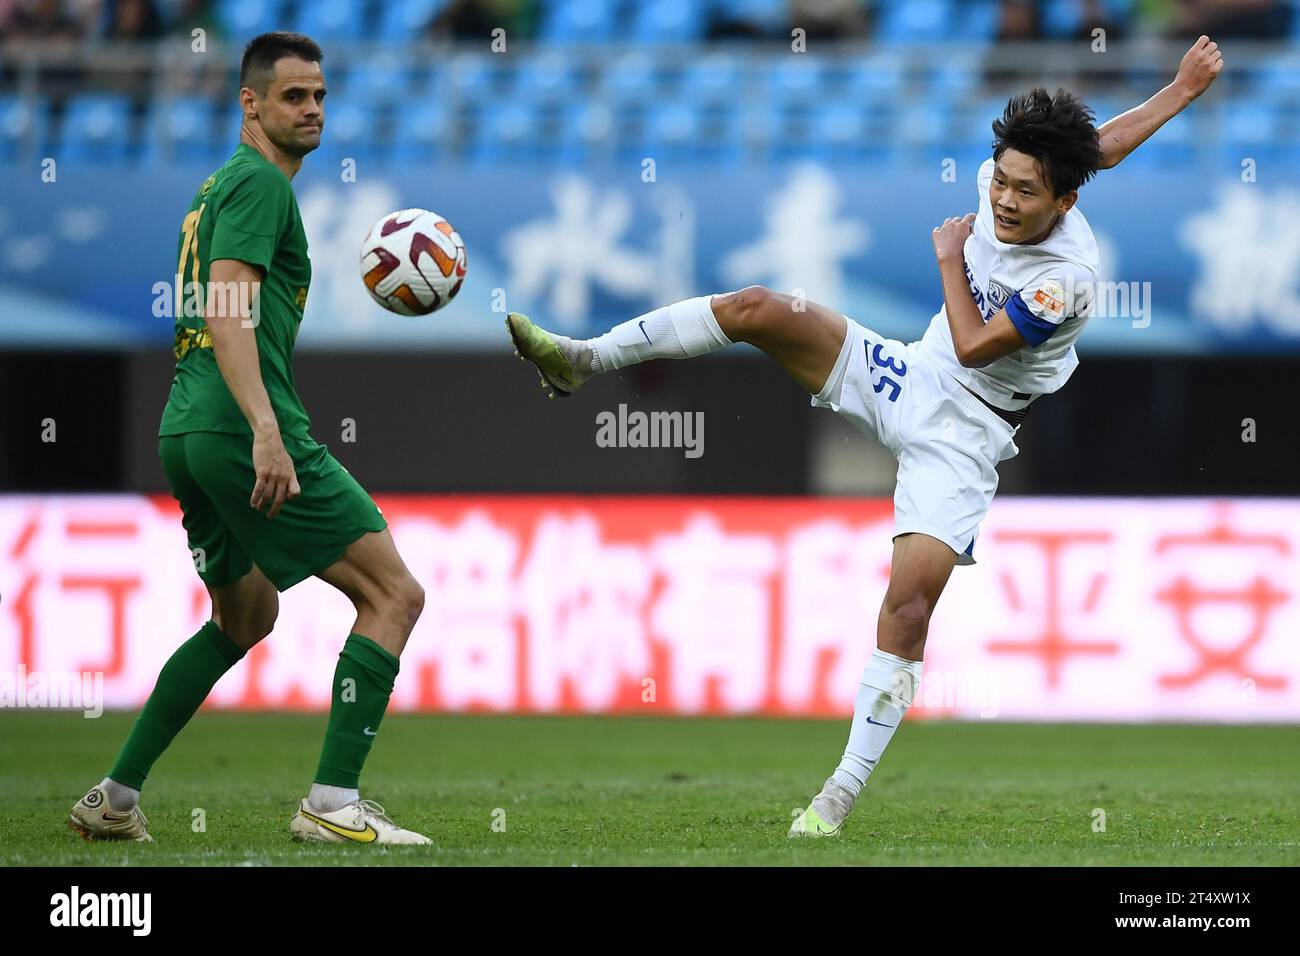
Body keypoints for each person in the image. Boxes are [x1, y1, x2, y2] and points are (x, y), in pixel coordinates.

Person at [506, 36, 1225, 837]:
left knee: (908, 608)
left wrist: (951, 258)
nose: (1006, 201)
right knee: (757, 308)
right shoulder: (1014, 176)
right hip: (911, 375)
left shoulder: (1070, 281)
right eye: (1006, 181)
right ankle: (582, 359)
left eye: (1028, 193)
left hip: (968, 430)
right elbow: (1100, 149)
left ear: (1064, 203)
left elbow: (981, 340)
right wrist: (1180, 89)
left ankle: (837, 796)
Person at [69, 32, 430, 846]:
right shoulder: (263, 187)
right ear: (250, 104)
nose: (311, 110)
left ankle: (114, 796)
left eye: (320, 96)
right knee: (393, 596)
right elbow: (231, 311)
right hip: (241, 426)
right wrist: (267, 429)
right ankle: (331, 804)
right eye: (293, 96)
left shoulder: (216, 191)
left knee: (243, 618)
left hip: (186, 428)